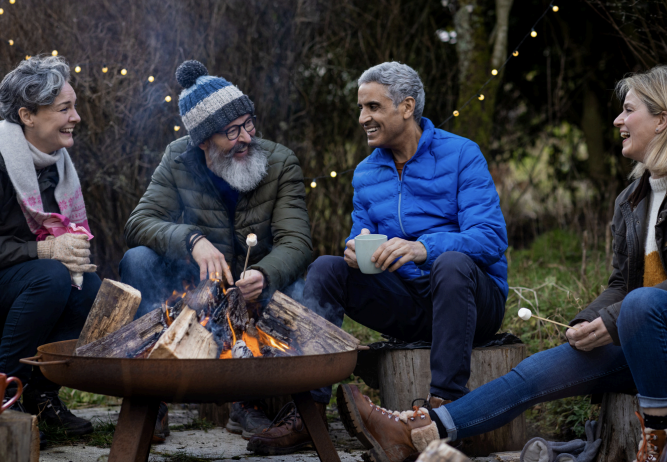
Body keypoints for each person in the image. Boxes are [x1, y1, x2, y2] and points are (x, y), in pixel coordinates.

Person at [337, 65, 667, 462]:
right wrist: (589, 320)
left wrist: (617, 317)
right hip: (641, 346)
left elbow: (638, 302)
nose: (618, 120)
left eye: (629, 110)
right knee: (530, 375)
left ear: (662, 120)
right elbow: (621, 284)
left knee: (639, 305)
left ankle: (655, 440)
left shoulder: (459, 154)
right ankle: (419, 430)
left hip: (647, 327)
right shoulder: (632, 200)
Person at [247, 61, 509, 454]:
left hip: (471, 302)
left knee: (451, 263)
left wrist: (424, 247)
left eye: (372, 107)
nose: (362, 118)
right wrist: (356, 250)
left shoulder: (460, 155)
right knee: (327, 269)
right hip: (408, 305)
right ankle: (309, 410)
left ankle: (447, 410)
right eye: (360, 108)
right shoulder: (367, 173)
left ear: (406, 107)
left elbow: (490, 237)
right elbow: (361, 234)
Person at [120, 60, 313, 443]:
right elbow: (138, 222)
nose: (246, 137)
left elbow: (297, 242)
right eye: (232, 131)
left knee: (303, 280)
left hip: (254, 288)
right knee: (137, 260)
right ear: (204, 142)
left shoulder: (279, 162)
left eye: (248, 123)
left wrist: (266, 273)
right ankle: (151, 401)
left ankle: (251, 402)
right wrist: (191, 240)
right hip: (194, 287)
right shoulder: (178, 159)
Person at [0, 55, 100, 437]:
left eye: (74, 106)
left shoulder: (57, 165)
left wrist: (72, 252)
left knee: (90, 288)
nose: (76, 117)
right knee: (50, 276)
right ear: (27, 115)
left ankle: (41, 395)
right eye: (64, 109)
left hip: (28, 287)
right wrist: (47, 251)